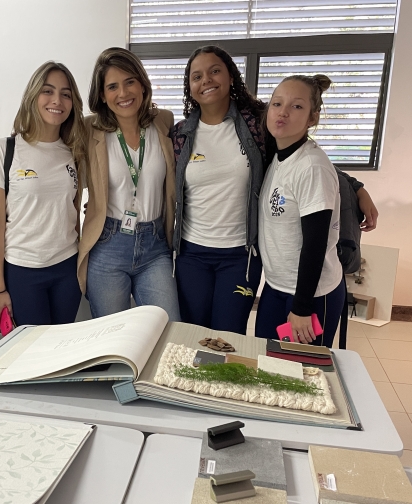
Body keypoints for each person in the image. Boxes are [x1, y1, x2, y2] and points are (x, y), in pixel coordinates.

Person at [79, 47, 180, 321]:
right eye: (112, 86)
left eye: (130, 82)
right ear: (102, 94)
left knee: (169, 328)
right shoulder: (89, 129)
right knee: (113, 337)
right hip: (108, 245)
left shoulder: (163, 121)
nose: (123, 93)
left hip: (155, 246)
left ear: (142, 84)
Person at [170, 45, 266, 334]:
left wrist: (355, 187)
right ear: (190, 87)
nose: (206, 80)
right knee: (193, 336)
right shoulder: (180, 134)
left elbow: (296, 152)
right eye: (197, 76)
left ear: (231, 76)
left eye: (215, 71)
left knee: (228, 337)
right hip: (191, 254)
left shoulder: (257, 124)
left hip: (240, 256)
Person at [0, 62, 85, 326]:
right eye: (47, 91)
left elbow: (72, 211)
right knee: (33, 349)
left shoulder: (74, 152)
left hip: (67, 268)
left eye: (65, 94)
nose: (57, 100)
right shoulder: (4, 150)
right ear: (33, 96)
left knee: (62, 346)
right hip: (22, 270)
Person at [254, 74, 345, 347]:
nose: (283, 112)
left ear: (312, 118)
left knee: (303, 371)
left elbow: (315, 244)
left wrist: (302, 308)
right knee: (267, 362)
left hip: (311, 296)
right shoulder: (279, 156)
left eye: (296, 106)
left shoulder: (312, 167)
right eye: (277, 104)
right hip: (276, 287)